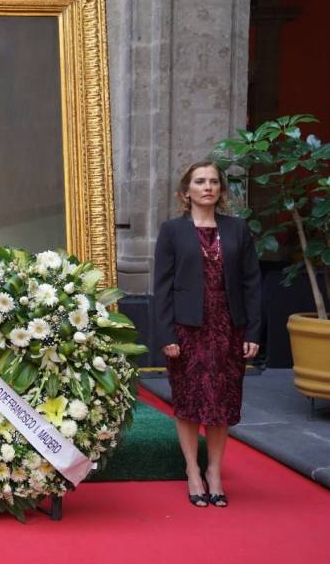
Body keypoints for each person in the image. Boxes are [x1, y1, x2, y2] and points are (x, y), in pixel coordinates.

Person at [153, 161, 261, 508]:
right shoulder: (172, 231)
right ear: (186, 192)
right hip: (187, 330)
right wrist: (166, 333)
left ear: (221, 190)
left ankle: (214, 471)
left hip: (229, 329)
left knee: (221, 403)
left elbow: (252, 283)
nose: (207, 187)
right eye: (200, 182)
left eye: (214, 181)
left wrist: (254, 331)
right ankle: (192, 470)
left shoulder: (238, 229)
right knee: (187, 403)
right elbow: (163, 287)